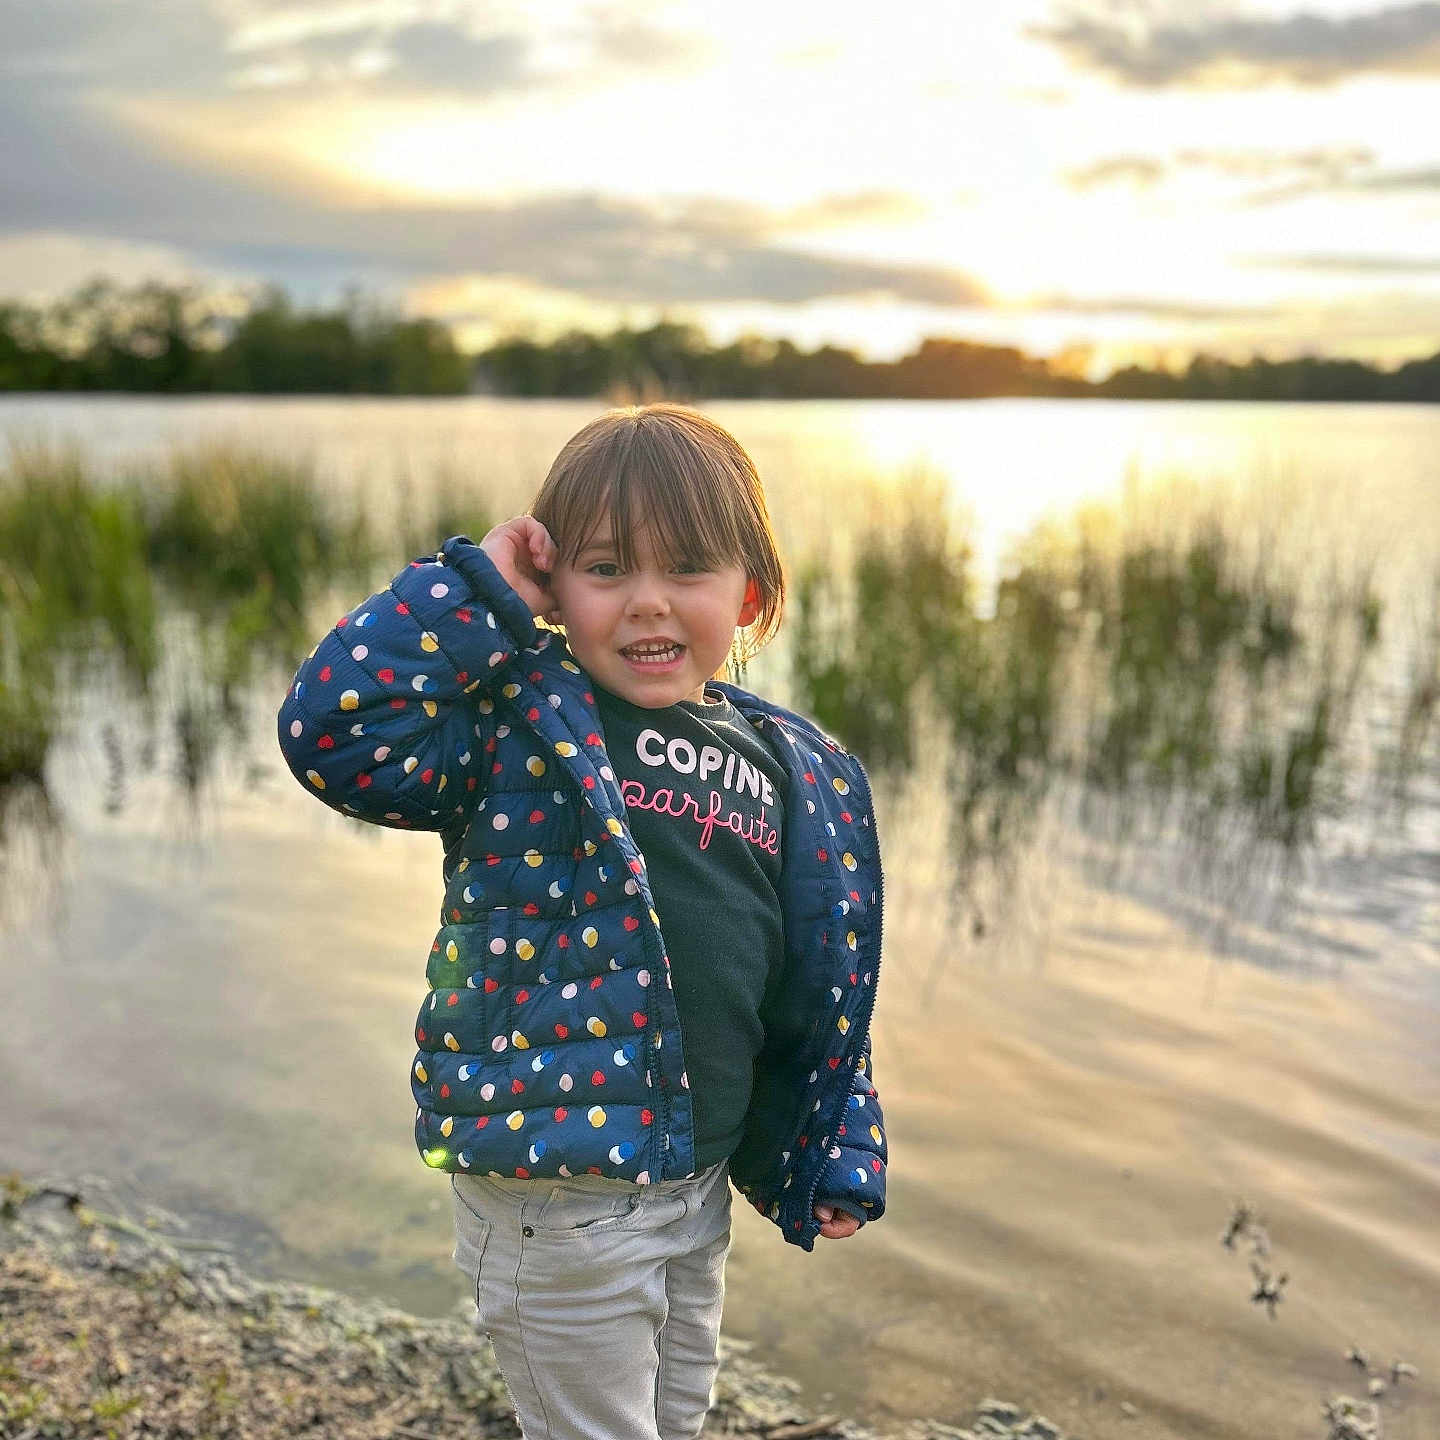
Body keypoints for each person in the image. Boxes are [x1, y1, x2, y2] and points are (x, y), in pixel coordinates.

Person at [277, 402, 887, 1440]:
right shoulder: (517, 723)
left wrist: (838, 1136)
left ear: (750, 591)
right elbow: (333, 733)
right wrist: (479, 596)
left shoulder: (790, 765)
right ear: (555, 589)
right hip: (555, 1194)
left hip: (695, 1179)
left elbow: (820, 974)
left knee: (678, 1412)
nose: (647, 601)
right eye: (606, 570)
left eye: (686, 569)